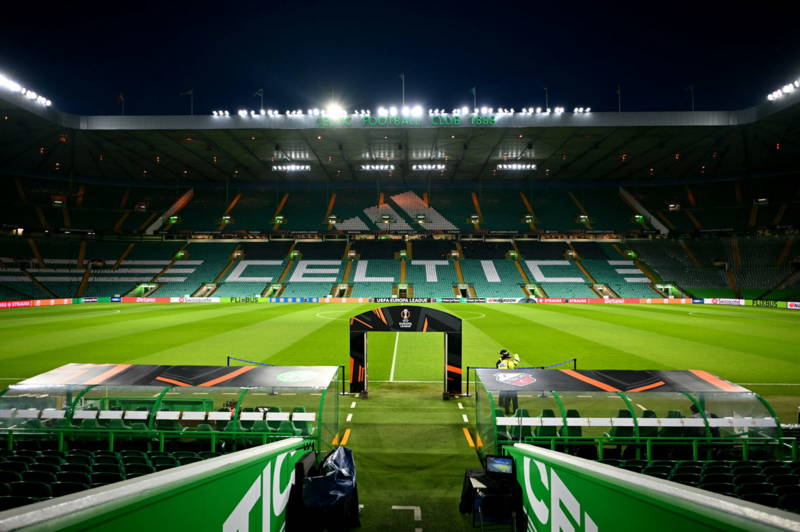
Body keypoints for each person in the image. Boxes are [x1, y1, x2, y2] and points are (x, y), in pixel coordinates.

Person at [496, 349, 521, 416]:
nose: (509, 358)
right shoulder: (509, 363)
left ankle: (507, 411)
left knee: (507, 397)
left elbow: (497, 368)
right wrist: (516, 356)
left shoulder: (501, 364)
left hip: (504, 382)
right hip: (511, 381)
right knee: (514, 397)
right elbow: (515, 363)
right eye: (508, 357)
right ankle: (515, 411)